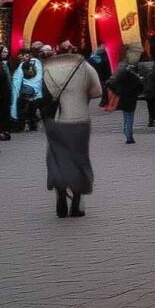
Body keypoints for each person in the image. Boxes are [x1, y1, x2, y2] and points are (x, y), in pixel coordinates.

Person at [39, 41, 103, 218]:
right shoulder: (84, 66)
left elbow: (38, 93)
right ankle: (76, 203)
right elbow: (97, 91)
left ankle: (60, 195)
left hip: (55, 120)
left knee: (57, 157)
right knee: (78, 159)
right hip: (78, 119)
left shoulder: (46, 68)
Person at [11, 49, 45, 132]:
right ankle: (33, 126)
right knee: (32, 110)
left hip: (26, 90)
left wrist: (15, 93)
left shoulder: (23, 64)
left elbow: (17, 81)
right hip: (38, 91)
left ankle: (20, 126)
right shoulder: (41, 63)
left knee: (21, 108)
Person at [111, 57, 143, 144]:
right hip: (132, 98)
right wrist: (138, 93)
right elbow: (140, 86)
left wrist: (117, 92)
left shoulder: (120, 76)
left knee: (125, 116)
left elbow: (112, 84)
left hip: (123, 98)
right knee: (130, 117)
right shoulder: (134, 77)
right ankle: (129, 137)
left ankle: (127, 133)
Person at [134, 47, 155, 128]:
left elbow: (138, 76)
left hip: (146, 87)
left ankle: (151, 119)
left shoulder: (139, 65)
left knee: (149, 104)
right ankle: (154, 118)